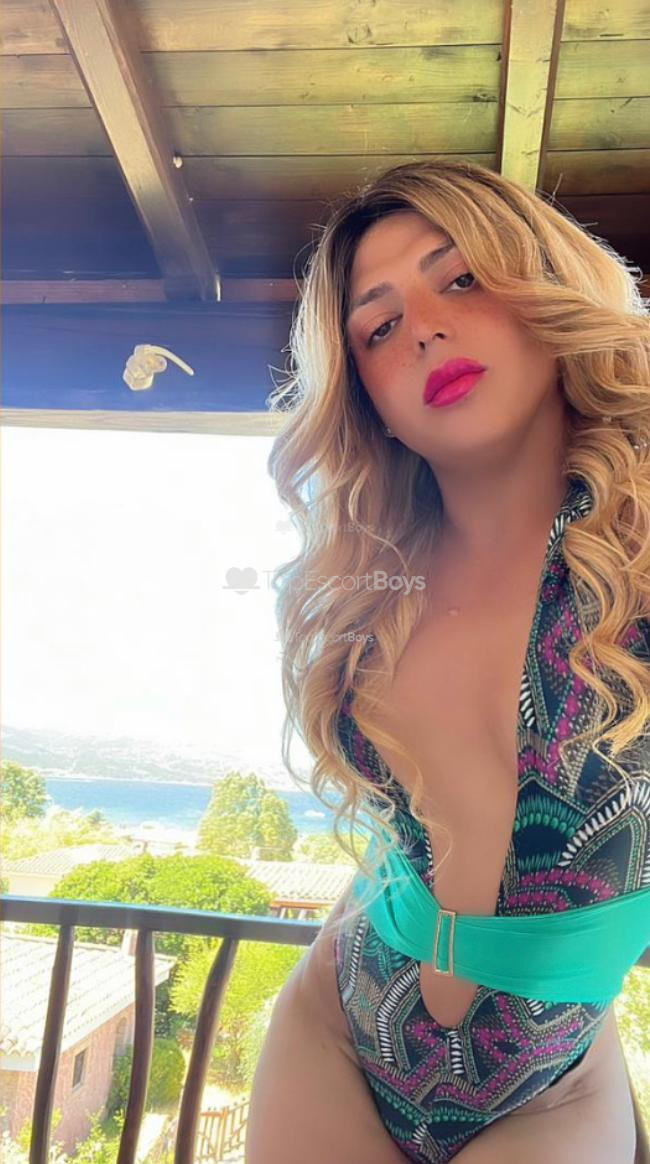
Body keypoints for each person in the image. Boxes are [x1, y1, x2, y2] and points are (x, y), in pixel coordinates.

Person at [245, 158, 650, 1162]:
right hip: (333, 1032)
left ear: (545, 289)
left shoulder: (636, 562)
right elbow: (414, 828)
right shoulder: (375, 589)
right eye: (378, 328)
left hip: (548, 1094)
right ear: (370, 400)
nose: (424, 327)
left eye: (461, 278)